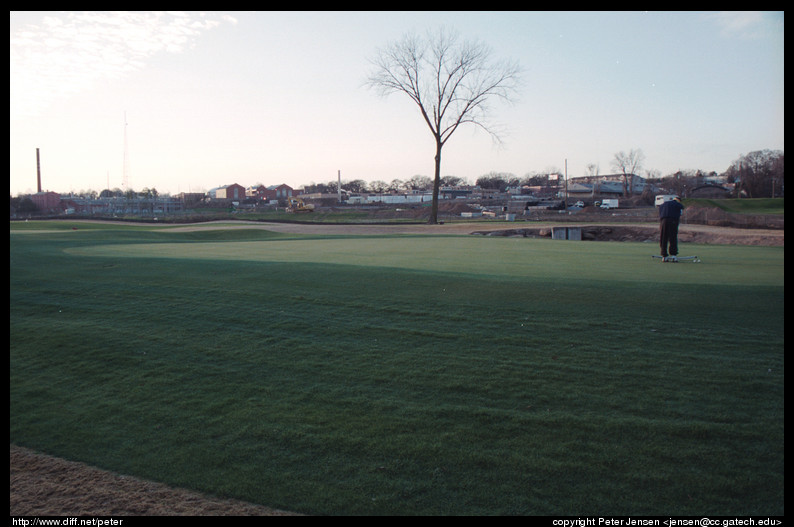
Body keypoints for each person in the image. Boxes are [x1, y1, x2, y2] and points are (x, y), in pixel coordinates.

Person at [659, 196, 684, 261]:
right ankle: (673, 255)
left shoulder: (664, 204)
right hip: (673, 221)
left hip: (663, 221)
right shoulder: (677, 204)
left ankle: (664, 256)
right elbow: (681, 208)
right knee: (673, 237)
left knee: (663, 238)